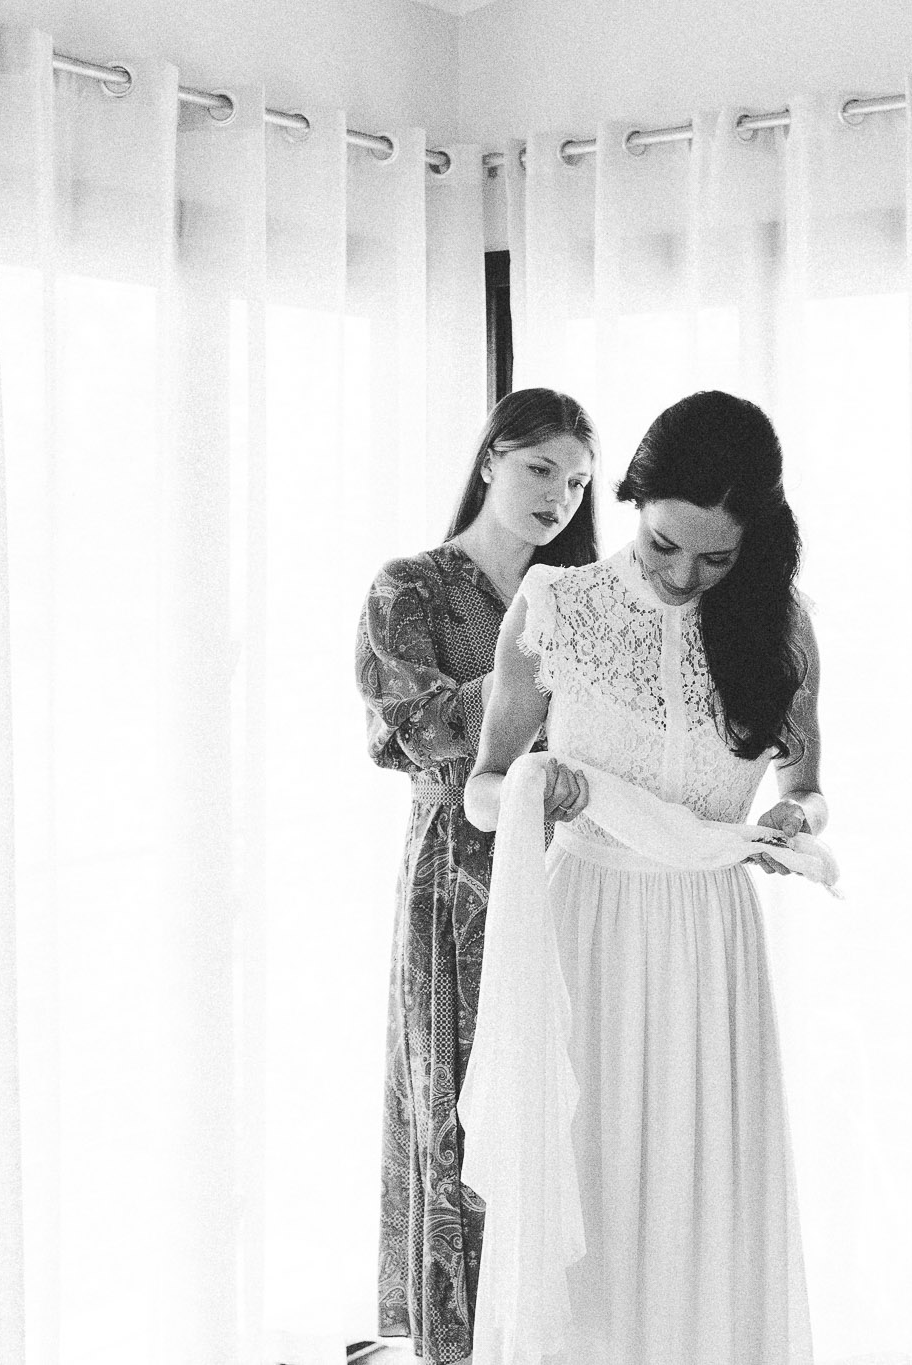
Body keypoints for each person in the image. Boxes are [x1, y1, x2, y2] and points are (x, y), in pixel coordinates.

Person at [460, 390, 828, 1365]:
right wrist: (542, 784)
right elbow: (483, 793)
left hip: (710, 935)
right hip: (586, 927)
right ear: (632, 500)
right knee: (594, 1180)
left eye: (715, 558)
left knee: (703, 1190)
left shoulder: (777, 625)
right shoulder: (558, 605)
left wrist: (795, 817)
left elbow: (810, 784)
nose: (682, 575)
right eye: (665, 545)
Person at [355, 388, 601, 1364]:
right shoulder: (408, 588)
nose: (559, 497)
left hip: (565, 868)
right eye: (541, 468)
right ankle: (460, 1347)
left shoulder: (574, 600)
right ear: (491, 459)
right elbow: (405, 731)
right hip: (457, 875)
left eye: (578, 482)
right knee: (460, 1108)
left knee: (559, 1105)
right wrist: (525, 686)